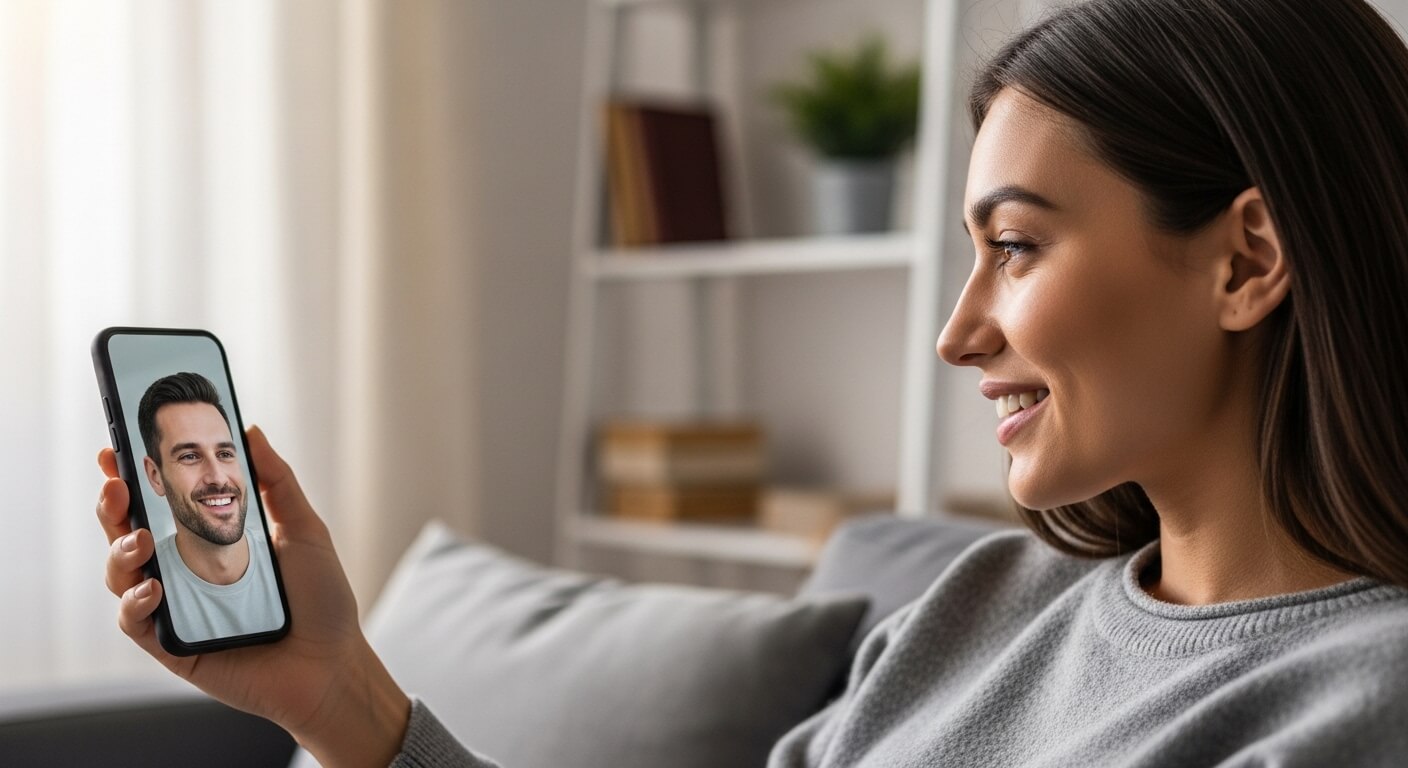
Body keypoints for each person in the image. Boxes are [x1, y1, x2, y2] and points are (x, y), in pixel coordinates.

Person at [95, 0, 1408, 765]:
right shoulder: (984, 608)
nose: (958, 335)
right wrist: (341, 696)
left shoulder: (1355, 703)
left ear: (1246, 259)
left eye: (1014, 247)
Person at [137, 372, 282, 643]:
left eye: (225, 454)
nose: (217, 477)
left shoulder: (287, 566)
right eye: (190, 456)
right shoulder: (150, 587)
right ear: (156, 476)